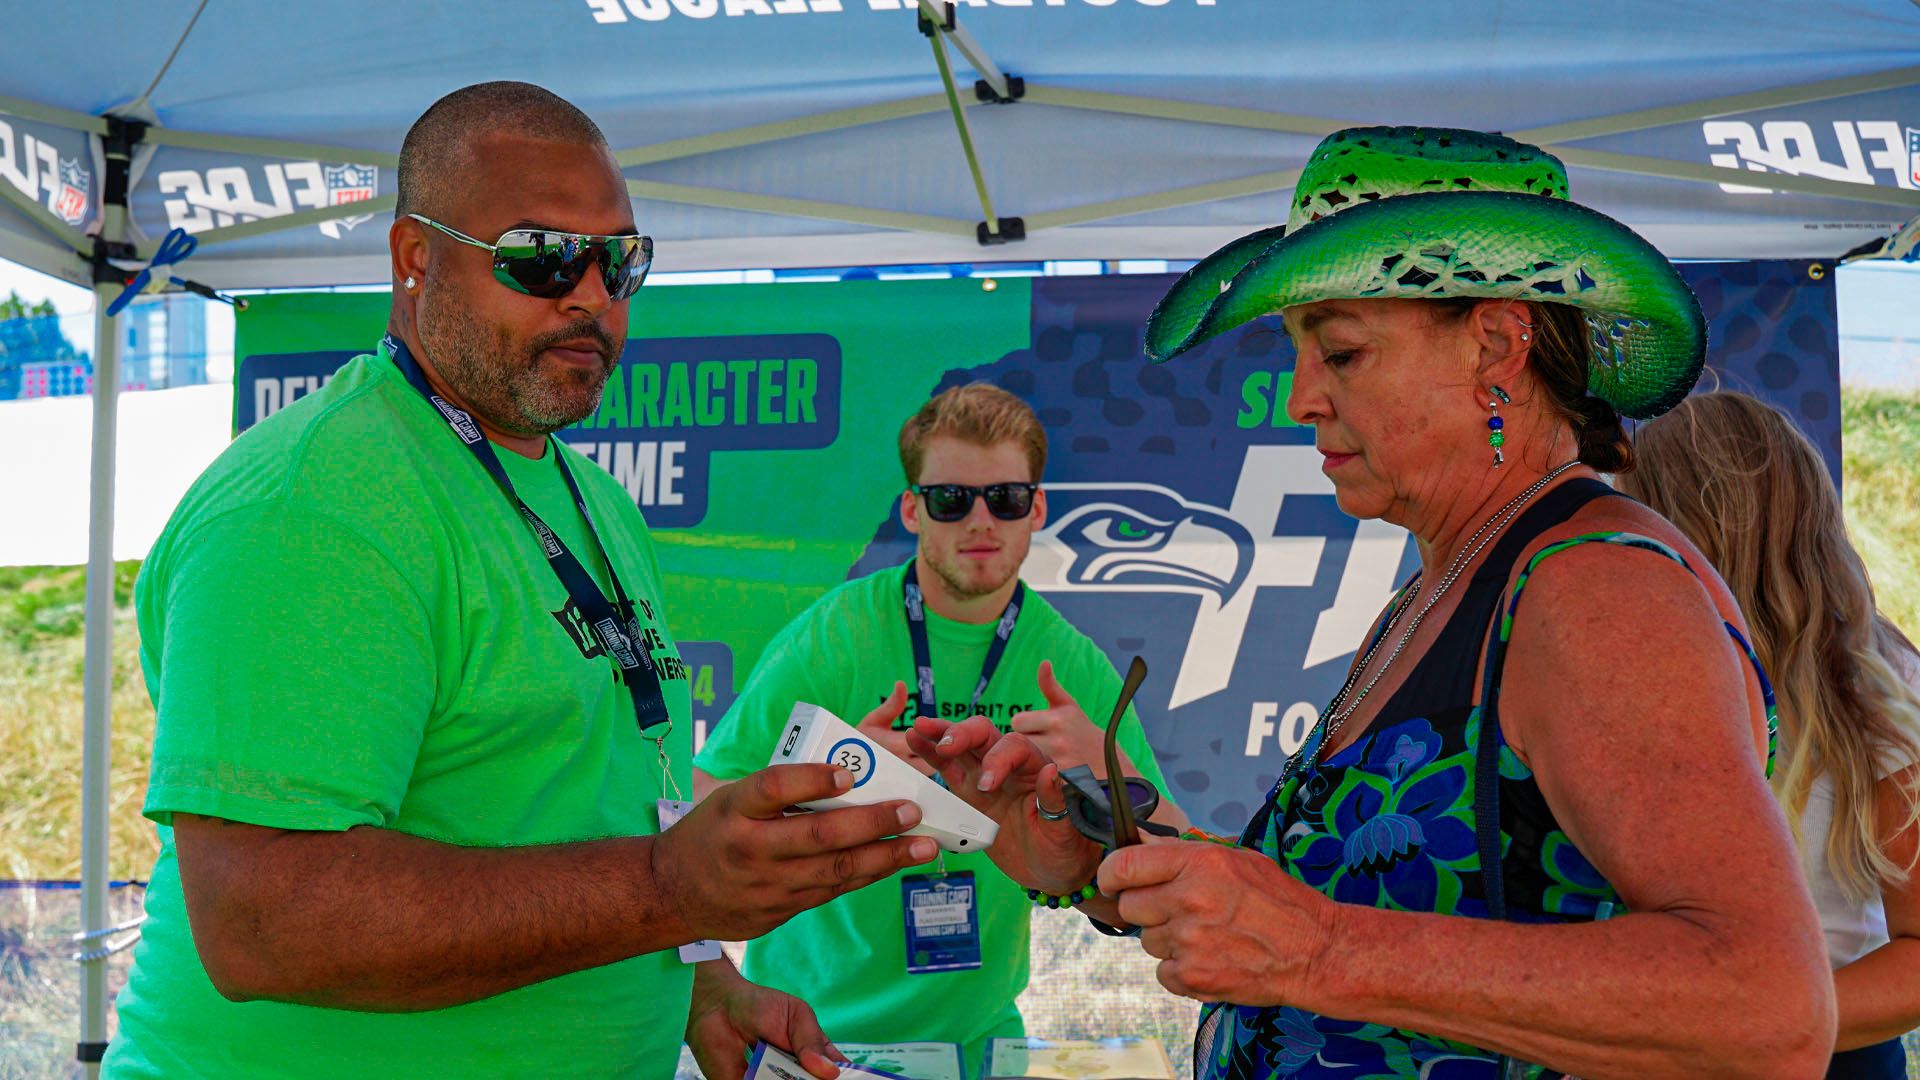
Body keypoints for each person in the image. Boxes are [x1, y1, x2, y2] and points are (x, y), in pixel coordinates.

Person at [908, 126, 1837, 1077]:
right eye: (1298, 352)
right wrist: (1098, 857)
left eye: (1343, 352)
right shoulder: (1442, 589)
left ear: (1497, 345)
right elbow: (1344, 900)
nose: (1300, 398)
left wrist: (1318, 952)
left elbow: (1766, 1007)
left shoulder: (1598, 587)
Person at [105, 82, 938, 1080]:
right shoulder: (313, 508)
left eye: (619, 260)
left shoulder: (593, 499)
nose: (589, 294)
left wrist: (704, 985)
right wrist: (670, 888)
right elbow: (263, 922)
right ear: (416, 258)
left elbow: (592, 804)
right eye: (541, 256)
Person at [692, 382, 1182, 1069]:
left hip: (978, 1046)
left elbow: (1163, 861)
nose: (981, 521)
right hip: (808, 1034)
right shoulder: (836, 636)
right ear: (912, 510)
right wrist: (822, 785)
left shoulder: (1067, 662)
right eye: (951, 499)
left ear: (1037, 508)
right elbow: (699, 800)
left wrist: (1105, 790)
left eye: (1005, 498)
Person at [1618, 390, 1920, 1078]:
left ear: (1685, 530)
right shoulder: (1629, 668)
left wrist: (1754, 1025)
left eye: (1632, 514)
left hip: (1827, 1051)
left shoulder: (1876, 682)